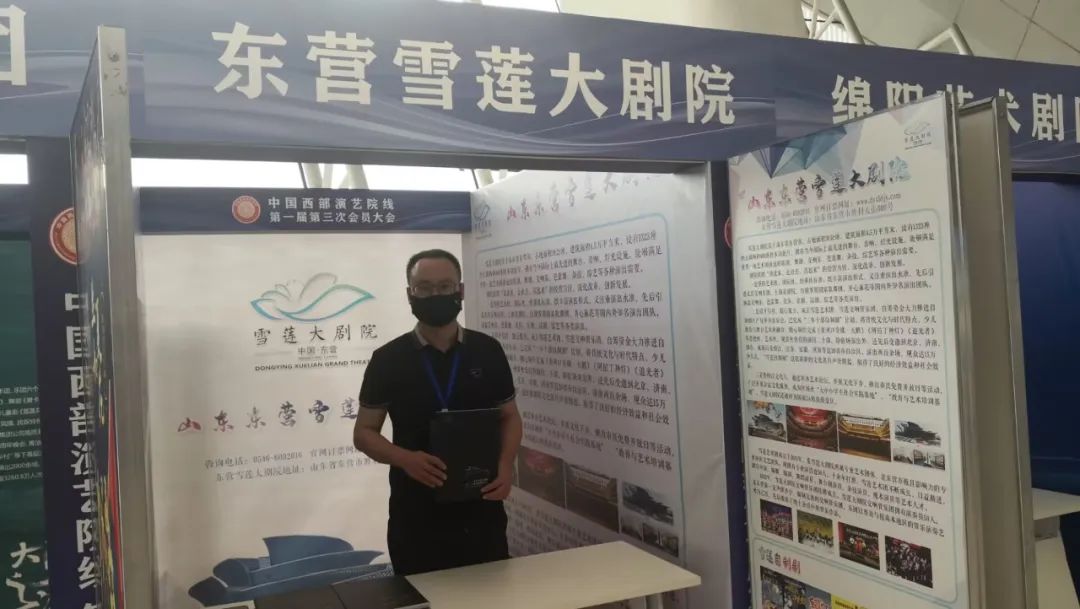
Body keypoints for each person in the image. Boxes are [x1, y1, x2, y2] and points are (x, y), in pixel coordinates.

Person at [353, 249, 523, 576]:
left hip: (482, 506)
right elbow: (364, 433)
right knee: (422, 595)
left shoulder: (487, 350)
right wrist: (406, 459)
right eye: (425, 288)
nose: (436, 295)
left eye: (445, 286)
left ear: (460, 290)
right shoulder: (388, 359)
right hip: (416, 512)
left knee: (492, 592)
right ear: (410, 294)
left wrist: (505, 466)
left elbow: (510, 416)